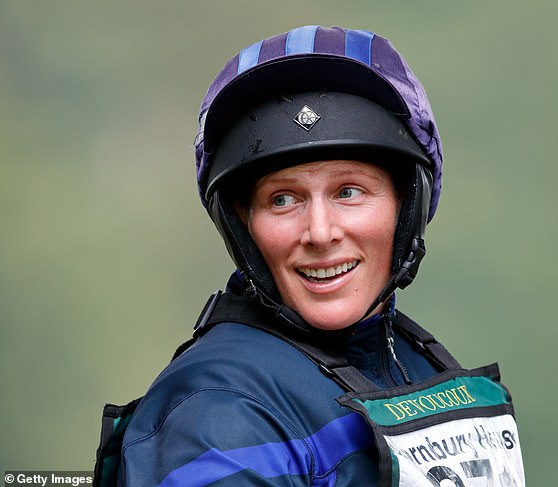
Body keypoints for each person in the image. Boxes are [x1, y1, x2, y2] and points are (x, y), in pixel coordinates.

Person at [95, 26, 525, 487]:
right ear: (244, 226)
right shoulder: (217, 414)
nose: (320, 233)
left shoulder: (417, 363)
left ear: (406, 207)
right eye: (283, 199)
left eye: (348, 191)